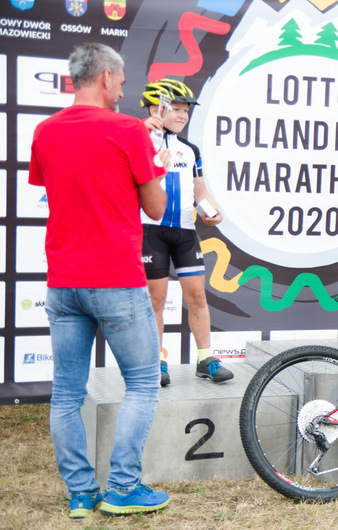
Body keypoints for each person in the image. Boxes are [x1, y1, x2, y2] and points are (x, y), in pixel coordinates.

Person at [29, 42, 170, 518]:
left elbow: (59, 189)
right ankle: (124, 487)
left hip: (62, 282)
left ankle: (81, 494)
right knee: (144, 383)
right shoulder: (128, 129)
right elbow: (155, 208)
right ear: (106, 76)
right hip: (115, 279)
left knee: (66, 394)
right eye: (123, 82)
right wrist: (156, 166)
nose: (124, 92)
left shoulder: (45, 130)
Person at [139, 79, 232, 386]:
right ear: (155, 110)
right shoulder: (140, 143)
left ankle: (206, 359)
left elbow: (199, 191)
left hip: (185, 232)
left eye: (185, 111)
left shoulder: (190, 150)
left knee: (197, 296)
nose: (182, 116)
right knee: (156, 299)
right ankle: (155, 361)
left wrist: (211, 211)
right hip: (150, 230)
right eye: (175, 109)